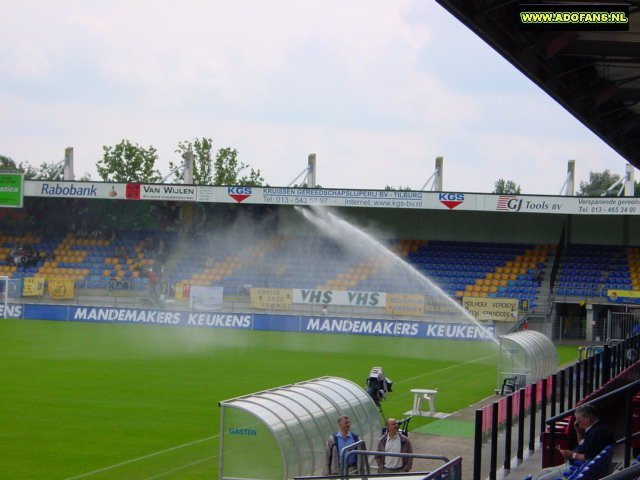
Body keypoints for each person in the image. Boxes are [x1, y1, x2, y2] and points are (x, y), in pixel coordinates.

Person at [536, 404, 614, 480]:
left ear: (587, 418)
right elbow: (583, 446)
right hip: (576, 465)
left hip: (575, 469)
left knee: (543, 478)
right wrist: (578, 432)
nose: (577, 423)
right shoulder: (598, 427)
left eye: (579, 421)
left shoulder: (596, 434)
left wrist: (572, 455)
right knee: (543, 472)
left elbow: (588, 457)